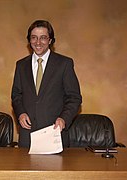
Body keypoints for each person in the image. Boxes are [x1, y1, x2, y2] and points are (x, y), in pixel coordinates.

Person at [11, 20, 82, 148]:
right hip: (27, 136)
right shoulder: (21, 65)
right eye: (34, 38)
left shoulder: (64, 64)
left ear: (50, 40)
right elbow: (16, 95)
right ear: (29, 40)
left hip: (55, 133)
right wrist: (20, 113)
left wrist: (63, 119)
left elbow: (74, 98)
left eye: (43, 38)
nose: (38, 42)